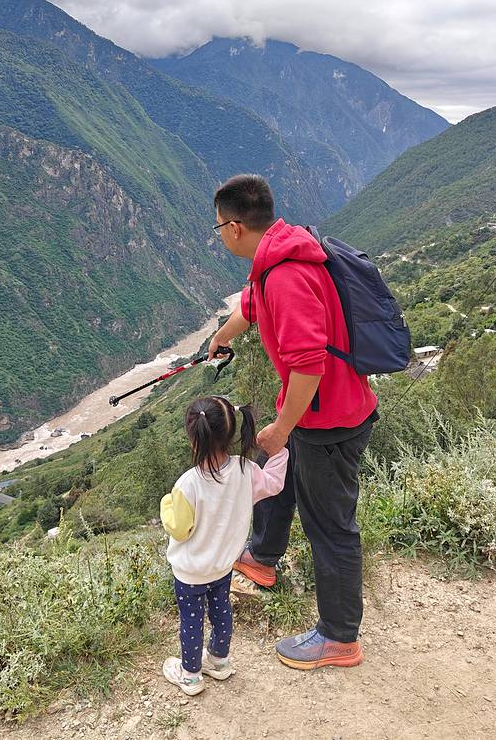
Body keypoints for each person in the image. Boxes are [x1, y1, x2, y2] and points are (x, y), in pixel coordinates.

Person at [209, 174, 378, 671]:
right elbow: (250, 305)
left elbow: (308, 365)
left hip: (331, 421)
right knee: (276, 472)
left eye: (218, 226)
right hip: (318, 411)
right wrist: (221, 337)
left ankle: (339, 638)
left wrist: (283, 426)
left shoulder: (284, 276)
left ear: (235, 227)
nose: (219, 235)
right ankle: (262, 558)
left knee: (331, 527)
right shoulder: (280, 255)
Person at [160, 395, 288, 695]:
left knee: (192, 622)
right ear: (230, 434)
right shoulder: (245, 470)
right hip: (223, 566)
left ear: (194, 440)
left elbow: (179, 529)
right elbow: (274, 483)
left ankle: (191, 676)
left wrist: (167, 503)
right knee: (221, 612)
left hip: (191, 573)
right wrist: (278, 452)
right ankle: (218, 661)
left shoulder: (188, 484)